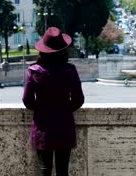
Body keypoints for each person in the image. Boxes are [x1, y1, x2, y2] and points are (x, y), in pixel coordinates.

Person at [23, 27, 85, 176]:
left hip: (42, 125)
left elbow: (27, 100)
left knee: (44, 169)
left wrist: (42, 109)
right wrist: (63, 108)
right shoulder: (70, 70)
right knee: (63, 170)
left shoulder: (34, 71)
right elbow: (79, 99)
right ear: (63, 51)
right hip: (64, 123)